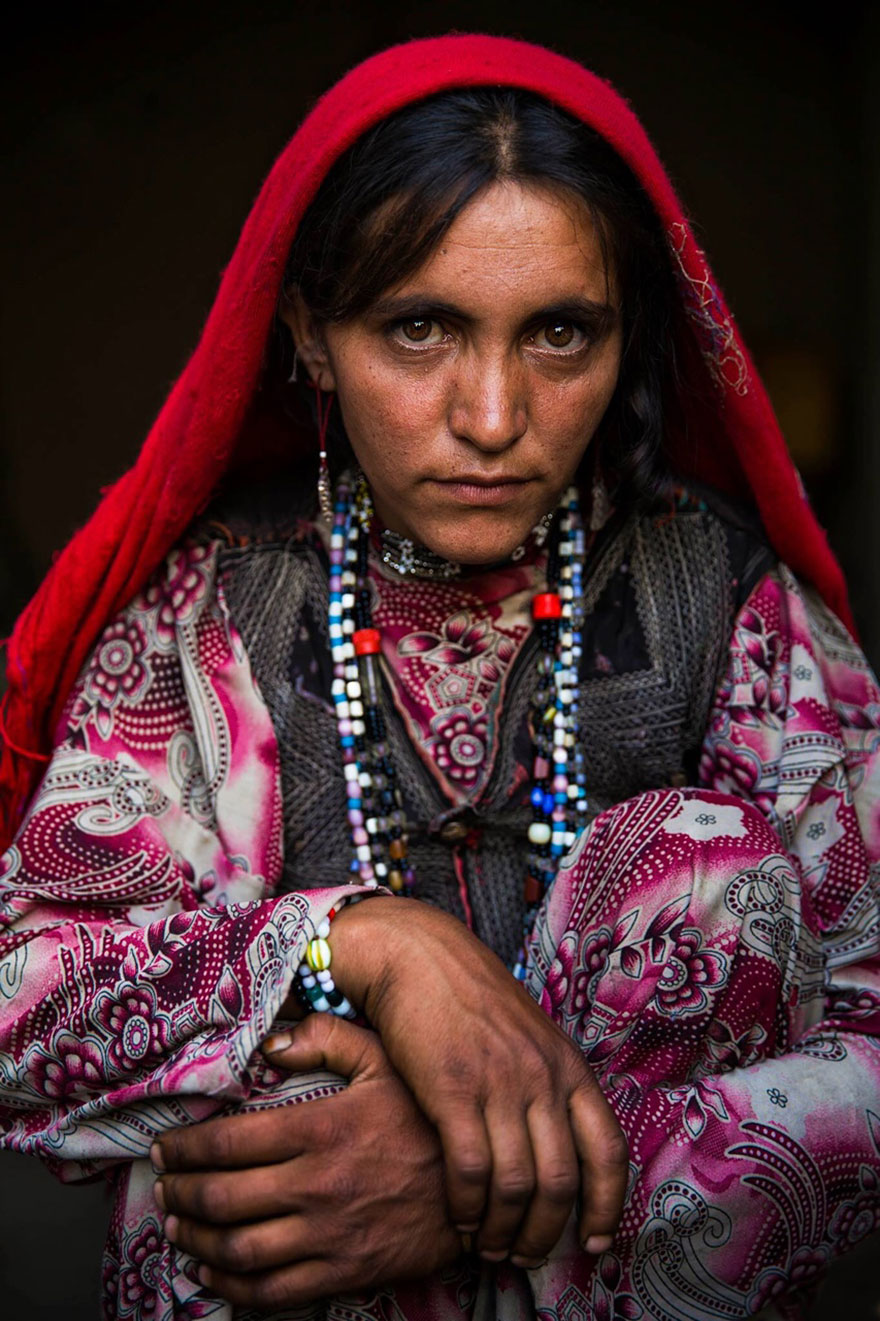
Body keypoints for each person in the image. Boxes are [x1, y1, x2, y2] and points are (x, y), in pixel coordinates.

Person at [0, 32, 878, 1321]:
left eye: (561, 336)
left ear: (631, 342)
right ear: (309, 332)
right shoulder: (209, 621)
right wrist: (364, 943)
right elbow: (23, 1003)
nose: (489, 415)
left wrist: (467, 1186)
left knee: (700, 878)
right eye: (419, 329)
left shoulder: (733, 614)